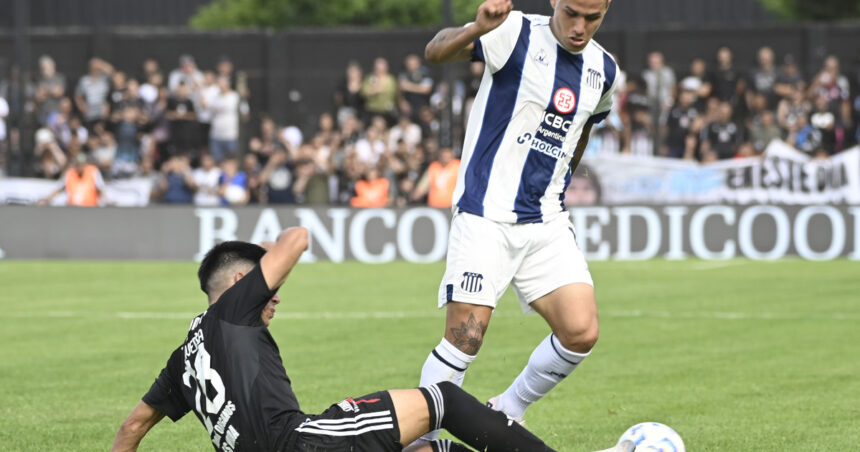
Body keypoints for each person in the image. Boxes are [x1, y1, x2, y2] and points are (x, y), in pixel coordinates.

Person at [110, 230, 557, 452]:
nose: (276, 297)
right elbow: (297, 238)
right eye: (267, 288)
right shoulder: (232, 308)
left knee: (430, 449)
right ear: (243, 282)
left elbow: (132, 428)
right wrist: (265, 255)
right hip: (303, 445)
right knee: (444, 401)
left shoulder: (182, 360)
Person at [412, 0, 619, 445]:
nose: (580, 27)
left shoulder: (604, 69)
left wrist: (558, 186)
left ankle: (509, 407)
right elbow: (435, 51)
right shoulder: (515, 32)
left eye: (593, 18)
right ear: (554, 3)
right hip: (487, 215)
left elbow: (581, 131)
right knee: (464, 340)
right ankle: (418, 440)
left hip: (545, 220)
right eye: (572, 14)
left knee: (581, 331)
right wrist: (475, 30)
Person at [38, 152, 104, 207]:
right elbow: (59, 189)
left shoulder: (93, 172)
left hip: (90, 207)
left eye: (82, 164)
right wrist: (47, 200)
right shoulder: (69, 173)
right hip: (73, 208)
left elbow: (100, 189)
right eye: (78, 164)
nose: (80, 166)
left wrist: (104, 202)